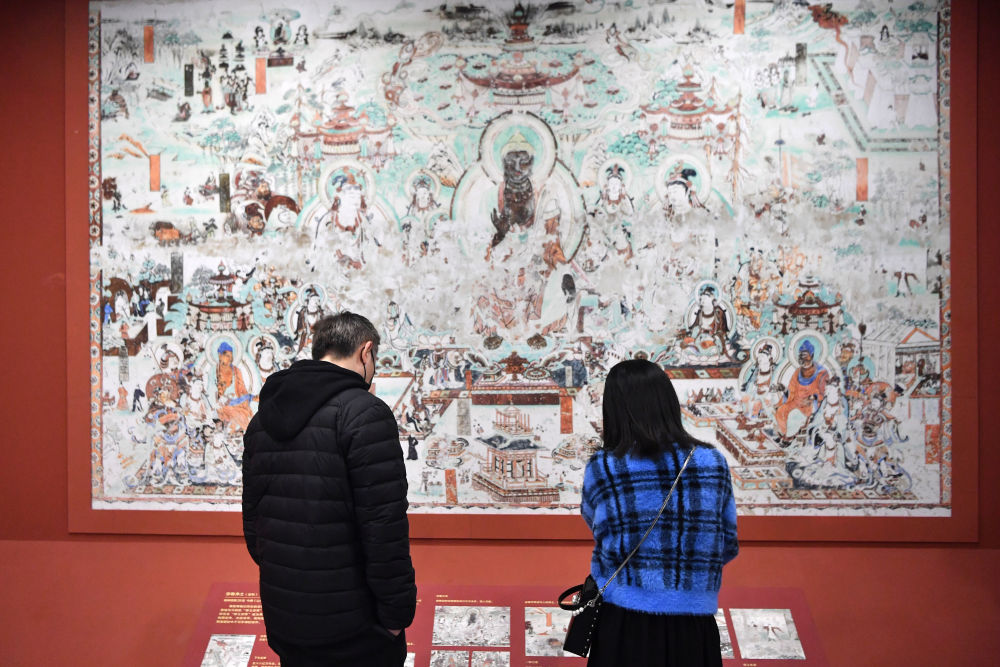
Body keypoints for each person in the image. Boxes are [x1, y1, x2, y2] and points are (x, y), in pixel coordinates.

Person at [243, 312, 416, 666]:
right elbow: (385, 529)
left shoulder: (262, 420)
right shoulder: (365, 413)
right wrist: (396, 617)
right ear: (365, 352)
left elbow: (253, 527)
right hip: (356, 630)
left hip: (287, 621)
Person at [581, 359, 739, 666]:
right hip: (695, 627)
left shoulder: (603, 467)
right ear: (667, 402)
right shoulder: (713, 462)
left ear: (614, 409)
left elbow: (598, 528)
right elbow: (727, 544)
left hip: (623, 623)